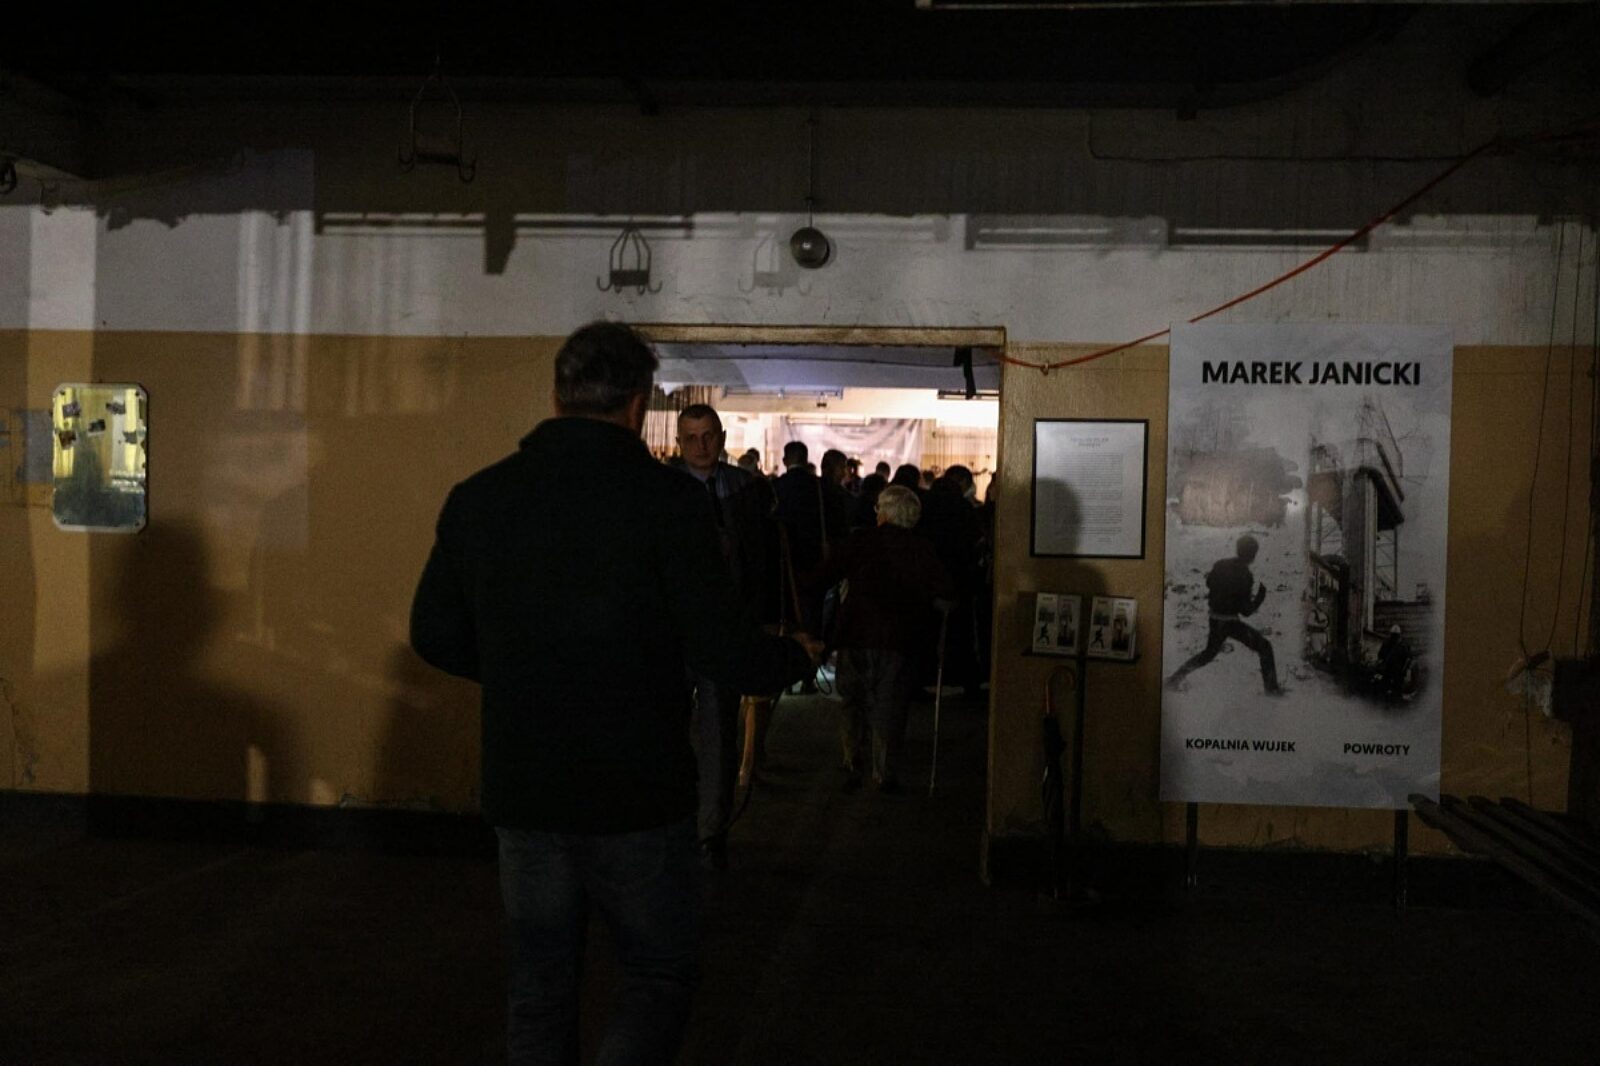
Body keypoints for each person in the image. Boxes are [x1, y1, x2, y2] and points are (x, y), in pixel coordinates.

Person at [409, 321, 820, 1066]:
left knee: (539, 987)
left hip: (526, 785)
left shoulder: (481, 499)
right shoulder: (669, 505)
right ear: (638, 405)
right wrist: (795, 658)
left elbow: (434, 633)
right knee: (657, 974)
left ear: (556, 397)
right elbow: (721, 648)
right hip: (638, 788)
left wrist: (522, 669)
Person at [674, 402, 781, 870]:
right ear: (680, 443)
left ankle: (710, 831)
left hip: (724, 631)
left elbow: (761, 561)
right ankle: (677, 826)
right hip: (675, 634)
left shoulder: (745, 489)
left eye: (708, 437)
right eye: (691, 438)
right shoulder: (664, 488)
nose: (701, 446)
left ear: (720, 437)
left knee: (719, 736)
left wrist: (758, 623)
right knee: (669, 734)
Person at [806, 485, 954, 793]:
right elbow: (942, 589)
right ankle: (884, 772)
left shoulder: (861, 541)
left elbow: (823, 576)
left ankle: (852, 759)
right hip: (900, 638)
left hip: (855, 633)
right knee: (890, 704)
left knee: (852, 700)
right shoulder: (920, 548)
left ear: (885, 513)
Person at [1165, 533, 1282, 694]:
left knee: (1208, 654)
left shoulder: (1221, 564)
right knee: (1265, 647)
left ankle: (1174, 680)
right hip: (1230, 623)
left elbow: (1209, 582)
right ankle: (1271, 688)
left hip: (1214, 618)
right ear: (1253, 555)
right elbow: (1246, 611)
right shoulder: (1246, 576)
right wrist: (1260, 597)